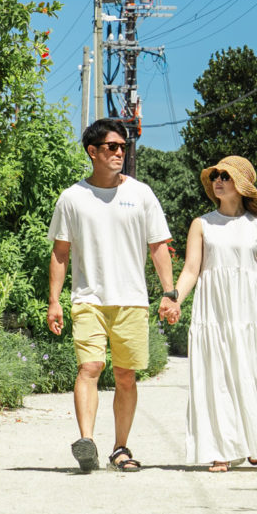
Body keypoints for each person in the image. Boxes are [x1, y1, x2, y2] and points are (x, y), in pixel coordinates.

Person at [47, 117, 178, 473]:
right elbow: (60, 252)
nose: (120, 152)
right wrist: (54, 300)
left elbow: (159, 246)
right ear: (93, 151)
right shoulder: (72, 197)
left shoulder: (141, 193)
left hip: (132, 299)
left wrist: (170, 292)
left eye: (123, 147)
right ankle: (86, 442)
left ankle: (120, 448)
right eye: (112, 147)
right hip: (87, 298)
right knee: (89, 367)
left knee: (125, 375)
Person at [170, 155, 257, 472]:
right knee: (215, 377)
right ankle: (221, 450)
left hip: (248, 312)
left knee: (253, 372)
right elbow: (191, 269)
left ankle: (255, 441)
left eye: (225, 176)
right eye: (215, 175)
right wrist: (174, 298)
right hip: (212, 312)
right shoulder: (201, 224)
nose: (217, 180)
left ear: (240, 185)